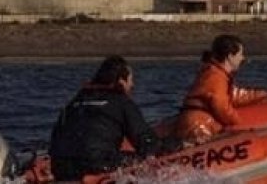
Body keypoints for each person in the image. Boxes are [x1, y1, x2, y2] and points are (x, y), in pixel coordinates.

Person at [47, 55, 177, 181]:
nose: (133, 85)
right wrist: (175, 144)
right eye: (130, 80)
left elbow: (56, 138)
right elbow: (147, 143)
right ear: (121, 81)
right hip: (97, 165)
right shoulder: (121, 101)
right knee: (142, 161)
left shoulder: (75, 101)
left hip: (60, 168)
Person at [175, 34, 267, 144]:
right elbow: (220, 105)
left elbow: (235, 95)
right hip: (198, 125)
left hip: (198, 122)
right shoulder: (215, 76)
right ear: (230, 56)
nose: (242, 58)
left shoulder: (216, 74)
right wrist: (237, 122)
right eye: (240, 54)